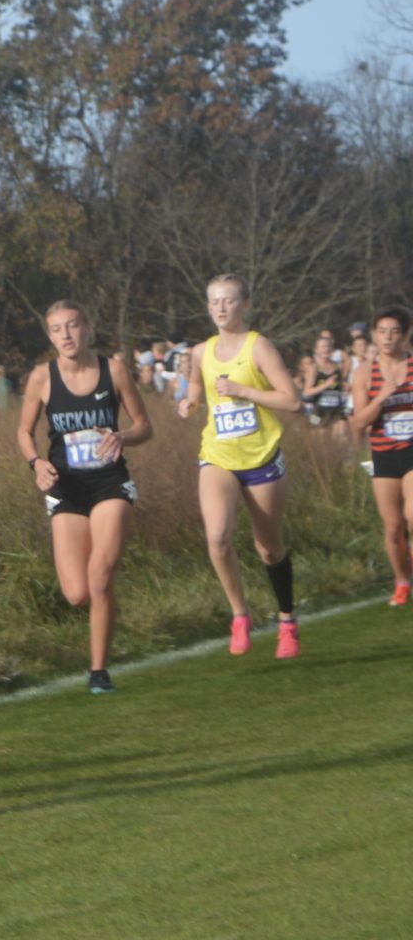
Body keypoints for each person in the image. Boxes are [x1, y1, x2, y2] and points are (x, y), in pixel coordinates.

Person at [16, 301, 153, 693]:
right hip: (67, 489)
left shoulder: (114, 370)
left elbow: (145, 426)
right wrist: (35, 463)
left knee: (99, 578)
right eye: (57, 329)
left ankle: (98, 672)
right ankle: (106, 610)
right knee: (77, 594)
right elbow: (24, 432)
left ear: (88, 327)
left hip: (110, 483)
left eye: (73, 326)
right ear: (50, 337)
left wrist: (122, 436)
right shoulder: (42, 378)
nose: (66, 335)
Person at [176, 274, 305, 657]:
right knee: (217, 537)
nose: (220, 308)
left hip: (262, 458)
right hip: (219, 455)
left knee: (268, 547)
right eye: (214, 301)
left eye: (228, 301)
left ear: (245, 305)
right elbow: (198, 387)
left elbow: (292, 401)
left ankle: (286, 620)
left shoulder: (258, 347)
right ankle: (240, 615)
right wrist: (191, 402)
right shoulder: (202, 351)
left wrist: (244, 391)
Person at [348, 308, 413, 606]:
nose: (388, 337)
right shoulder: (364, 373)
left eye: (394, 331)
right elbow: (359, 421)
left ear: (405, 334)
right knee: (393, 528)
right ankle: (401, 579)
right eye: (382, 331)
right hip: (383, 455)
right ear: (375, 335)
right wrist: (382, 397)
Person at [298, 330, 347, 428]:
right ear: (316, 350)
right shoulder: (314, 368)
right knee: (320, 438)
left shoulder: (338, 367)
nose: (326, 349)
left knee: (342, 433)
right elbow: (307, 392)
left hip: (336, 410)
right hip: (317, 412)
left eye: (328, 347)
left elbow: (340, 388)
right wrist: (326, 385)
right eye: (323, 347)